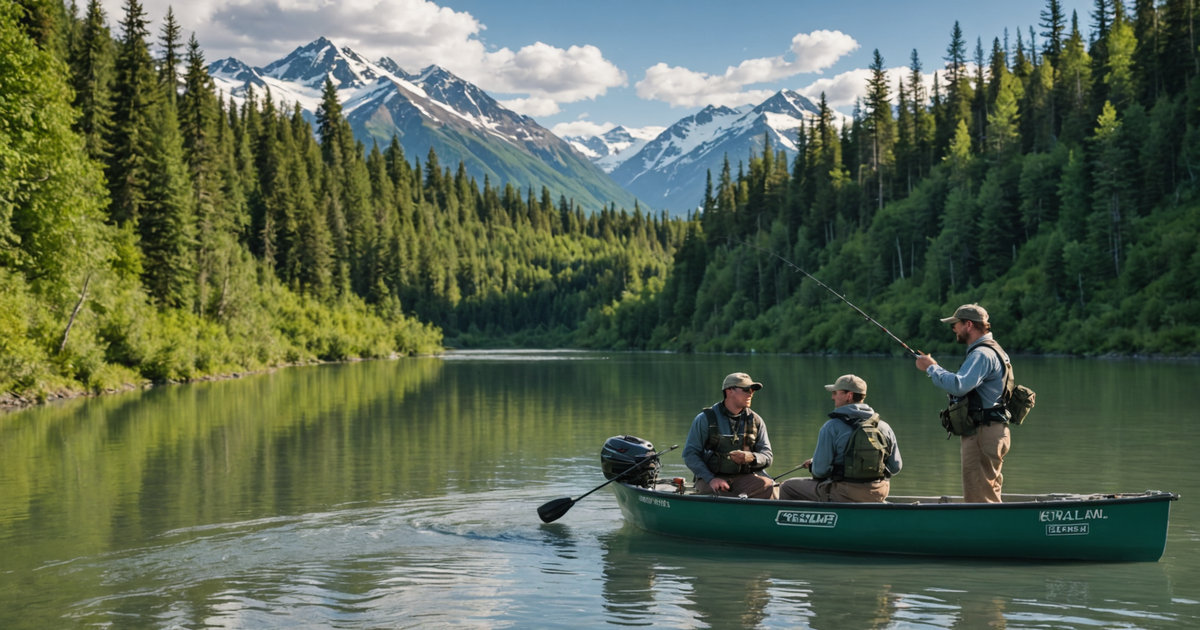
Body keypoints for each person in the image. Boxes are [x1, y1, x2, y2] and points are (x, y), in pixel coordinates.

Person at [914, 303, 1012, 503]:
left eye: (955, 324)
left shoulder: (982, 354)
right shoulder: (995, 350)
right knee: (987, 491)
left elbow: (960, 385)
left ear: (968, 325)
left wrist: (932, 368)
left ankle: (984, 534)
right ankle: (992, 531)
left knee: (978, 495)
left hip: (982, 433)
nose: (953, 329)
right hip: (992, 431)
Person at [777, 375, 901, 502]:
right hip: (879, 492)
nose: (832, 397)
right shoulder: (884, 427)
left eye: (836, 393)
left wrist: (817, 465)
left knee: (787, 487)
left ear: (849, 396)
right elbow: (895, 467)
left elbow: (820, 472)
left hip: (845, 493)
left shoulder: (831, 427)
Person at [682, 372, 774, 499]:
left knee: (768, 485)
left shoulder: (756, 421)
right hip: (711, 478)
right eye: (746, 389)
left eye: (752, 390)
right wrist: (711, 479)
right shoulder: (705, 419)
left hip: (744, 479)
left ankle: (743, 505)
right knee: (716, 493)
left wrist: (752, 457)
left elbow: (767, 456)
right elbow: (689, 454)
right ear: (729, 391)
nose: (751, 393)